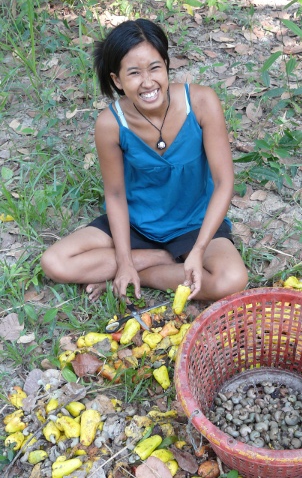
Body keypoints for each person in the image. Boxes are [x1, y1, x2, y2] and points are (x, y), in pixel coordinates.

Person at [41, 18, 248, 303]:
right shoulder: (111, 124)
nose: (148, 82)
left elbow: (225, 182)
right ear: (117, 80)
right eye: (134, 73)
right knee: (55, 262)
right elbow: (114, 194)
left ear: (166, 65)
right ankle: (157, 259)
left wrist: (199, 250)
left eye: (155, 68)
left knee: (232, 279)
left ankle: (144, 272)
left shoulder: (201, 103)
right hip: (136, 224)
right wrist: (125, 260)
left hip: (194, 223)